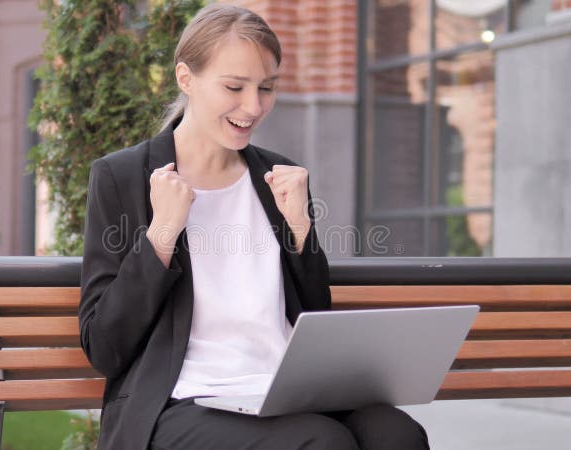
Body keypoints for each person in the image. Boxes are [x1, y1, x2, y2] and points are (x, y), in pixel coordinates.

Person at [79, 4, 429, 449]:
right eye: (234, 86)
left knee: (395, 433)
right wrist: (161, 235)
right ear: (186, 79)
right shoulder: (123, 177)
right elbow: (104, 346)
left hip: (285, 391)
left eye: (266, 87)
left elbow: (312, 316)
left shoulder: (278, 178)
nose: (254, 106)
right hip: (181, 401)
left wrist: (301, 231)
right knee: (322, 442)